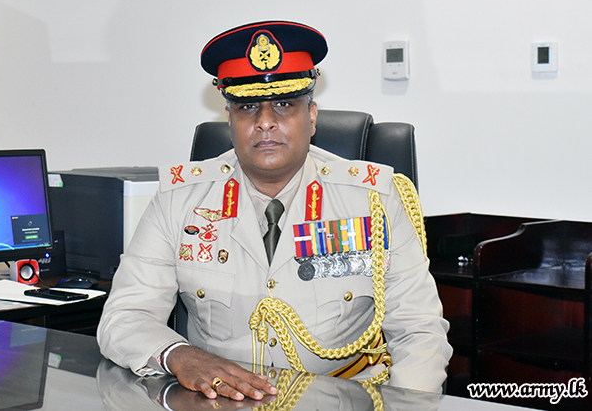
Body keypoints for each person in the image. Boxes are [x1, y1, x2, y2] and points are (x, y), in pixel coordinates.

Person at [97, 20, 452, 401]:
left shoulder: (372, 199)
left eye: (284, 105)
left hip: (343, 400)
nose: (265, 122)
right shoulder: (180, 200)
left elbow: (419, 331)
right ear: (229, 120)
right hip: (219, 403)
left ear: (311, 116)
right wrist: (179, 355)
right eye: (247, 107)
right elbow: (124, 317)